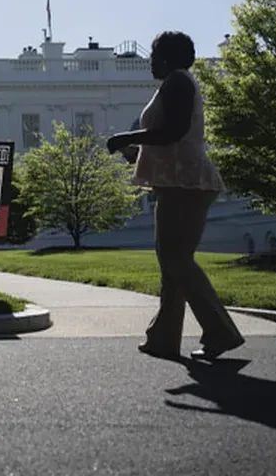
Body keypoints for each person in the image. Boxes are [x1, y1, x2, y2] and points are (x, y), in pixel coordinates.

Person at [106, 30, 244, 361]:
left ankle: (221, 331)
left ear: (166, 57)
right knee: (171, 263)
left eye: (153, 56)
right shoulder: (174, 83)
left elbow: (174, 132)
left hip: (187, 182)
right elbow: (168, 137)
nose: (150, 63)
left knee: (176, 260)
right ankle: (163, 338)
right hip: (178, 182)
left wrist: (126, 135)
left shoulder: (178, 82)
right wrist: (135, 149)